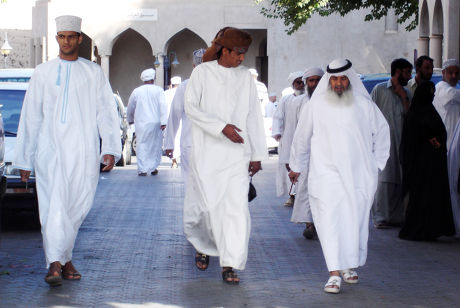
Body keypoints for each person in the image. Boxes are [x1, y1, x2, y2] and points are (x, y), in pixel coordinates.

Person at [13, 15, 122, 286]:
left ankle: (66, 258)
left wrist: (109, 147)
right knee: (53, 207)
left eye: (71, 36)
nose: (66, 41)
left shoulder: (93, 72)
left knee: (76, 207)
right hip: (50, 151)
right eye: (61, 37)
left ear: (79, 39)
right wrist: (25, 159)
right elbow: (30, 117)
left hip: (83, 151)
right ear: (57, 39)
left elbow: (106, 112)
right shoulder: (43, 72)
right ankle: (54, 264)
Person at [289, 59, 390, 294]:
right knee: (329, 220)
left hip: (358, 177)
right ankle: (334, 272)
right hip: (326, 175)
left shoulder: (365, 105)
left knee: (353, 221)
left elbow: (383, 134)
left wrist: (375, 165)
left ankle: (347, 265)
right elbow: (302, 137)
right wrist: (296, 165)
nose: (338, 83)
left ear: (350, 79)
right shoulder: (316, 106)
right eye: (333, 79)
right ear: (329, 80)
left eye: (343, 78)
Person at [183, 27, 267, 284]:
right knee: (207, 207)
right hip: (207, 153)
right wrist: (222, 127)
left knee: (236, 209)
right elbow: (191, 107)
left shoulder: (246, 78)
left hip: (237, 155)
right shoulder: (202, 73)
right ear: (224, 51)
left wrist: (257, 154)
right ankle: (204, 246)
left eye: (245, 54)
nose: (242, 58)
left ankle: (229, 263)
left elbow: (254, 116)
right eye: (238, 53)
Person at [399, 81, 455, 241]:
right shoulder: (414, 114)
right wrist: (427, 140)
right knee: (420, 198)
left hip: (434, 165)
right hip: (420, 166)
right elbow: (411, 139)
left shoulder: (431, 111)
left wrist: (438, 141)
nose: (431, 96)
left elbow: (439, 131)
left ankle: (431, 230)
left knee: (433, 197)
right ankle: (418, 230)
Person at [371, 58, 413, 228]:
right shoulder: (379, 89)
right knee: (384, 180)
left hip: (402, 142)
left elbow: (411, 117)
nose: (409, 76)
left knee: (399, 178)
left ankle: (396, 216)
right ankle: (380, 217)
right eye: (407, 72)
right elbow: (370, 115)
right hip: (383, 143)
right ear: (397, 72)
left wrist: (403, 97)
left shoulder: (408, 93)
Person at [288, 67, 323, 240]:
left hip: (326, 156)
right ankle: (310, 223)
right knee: (306, 189)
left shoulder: (330, 102)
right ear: (306, 83)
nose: (315, 84)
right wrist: (293, 162)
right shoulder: (300, 102)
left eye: (318, 80)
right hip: (306, 155)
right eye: (311, 81)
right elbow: (294, 132)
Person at [164, 48, 205, 181]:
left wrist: (169, 144)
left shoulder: (184, 86)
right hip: (210, 145)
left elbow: (174, 115)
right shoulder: (220, 85)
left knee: (191, 185)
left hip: (190, 144)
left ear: (194, 66)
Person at [127, 68, 167, 176]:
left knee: (142, 145)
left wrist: (130, 119)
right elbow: (163, 106)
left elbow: (130, 107)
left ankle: (143, 169)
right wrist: (164, 121)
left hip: (142, 123)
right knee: (155, 145)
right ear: (153, 78)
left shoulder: (136, 91)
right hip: (156, 122)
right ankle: (153, 167)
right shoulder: (159, 90)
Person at [272, 71, 304, 207]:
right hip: (289, 138)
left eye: (302, 81)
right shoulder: (286, 100)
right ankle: (292, 195)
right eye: (297, 82)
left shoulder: (310, 98)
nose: (301, 84)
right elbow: (278, 117)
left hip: (304, 139)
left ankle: (302, 195)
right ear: (293, 84)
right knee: (289, 166)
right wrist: (277, 132)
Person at [433, 59, 460, 148]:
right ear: (443, 72)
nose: (454, 76)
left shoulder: (455, 87)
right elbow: (452, 94)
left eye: (457, 73)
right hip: (447, 137)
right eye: (451, 72)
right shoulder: (441, 87)